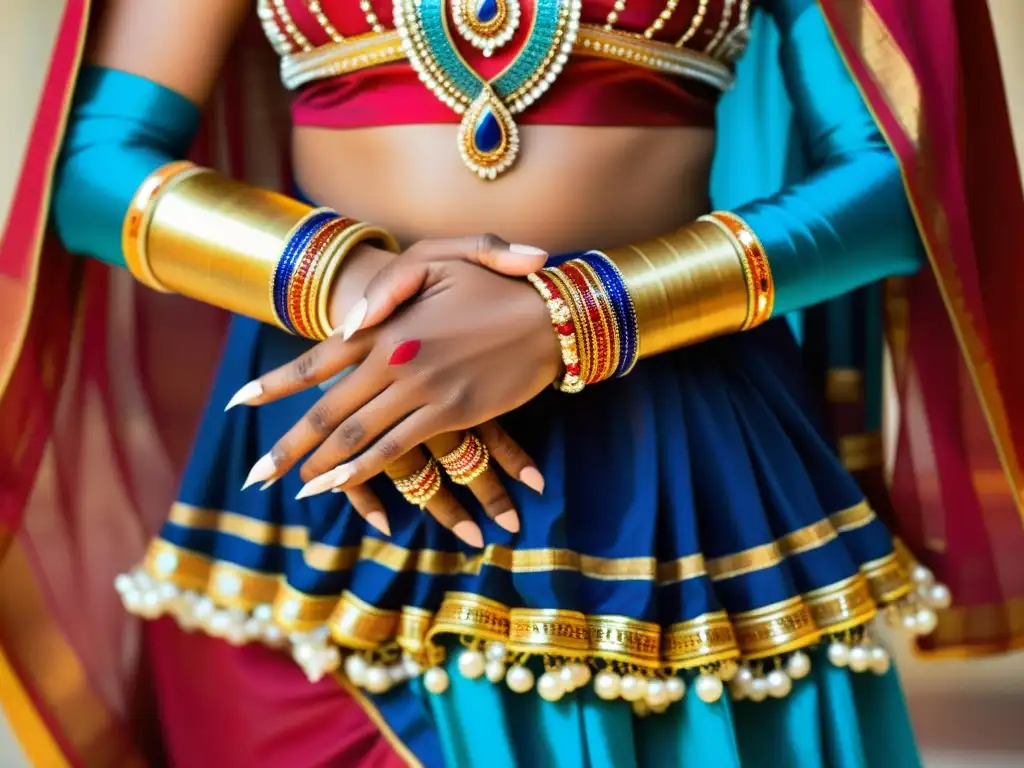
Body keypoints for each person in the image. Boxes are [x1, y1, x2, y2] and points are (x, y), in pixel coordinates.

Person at [1, 0, 1022, 766]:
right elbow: (93, 162)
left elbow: (903, 176)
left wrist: (573, 313)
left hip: (670, 471)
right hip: (335, 452)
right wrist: (351, 285)